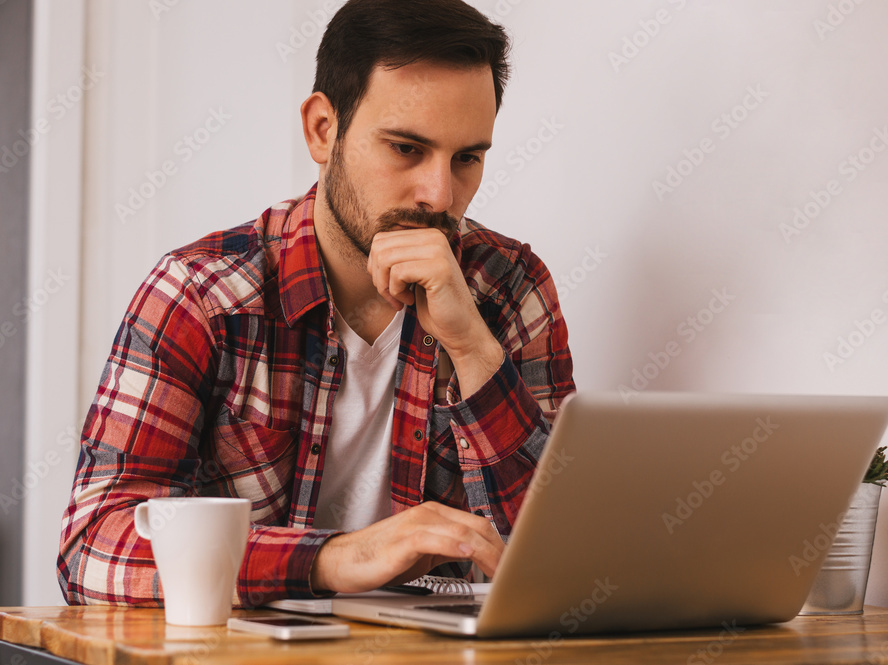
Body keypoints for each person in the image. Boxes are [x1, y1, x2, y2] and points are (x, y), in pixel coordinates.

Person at [57, 0, 575, 607]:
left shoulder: (510, 288)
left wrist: (472, 348)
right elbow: (91, 549)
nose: (439, 195)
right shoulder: (200, 294)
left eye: (467, 158)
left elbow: (561, 560)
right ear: (322, 130)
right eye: (407, 149)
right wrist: (333, 557)